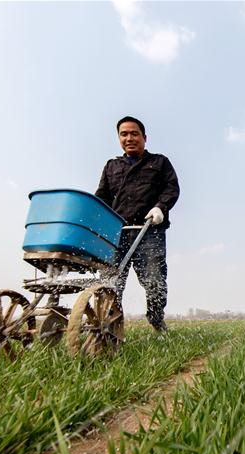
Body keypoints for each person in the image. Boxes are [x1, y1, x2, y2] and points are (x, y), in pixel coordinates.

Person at [95, 116, 179, 333]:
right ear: (119, 139)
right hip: (117, 232)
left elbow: (171, 188)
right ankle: (110, 327)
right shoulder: (112, 166)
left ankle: (156, 319)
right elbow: (102, 197)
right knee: (111, 282)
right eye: (124, 134)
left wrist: (160, 207)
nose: (129, 138)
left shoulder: (159, 162)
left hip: (149, 230)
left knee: (154, 280)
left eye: (134, 133)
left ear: (144, 137)